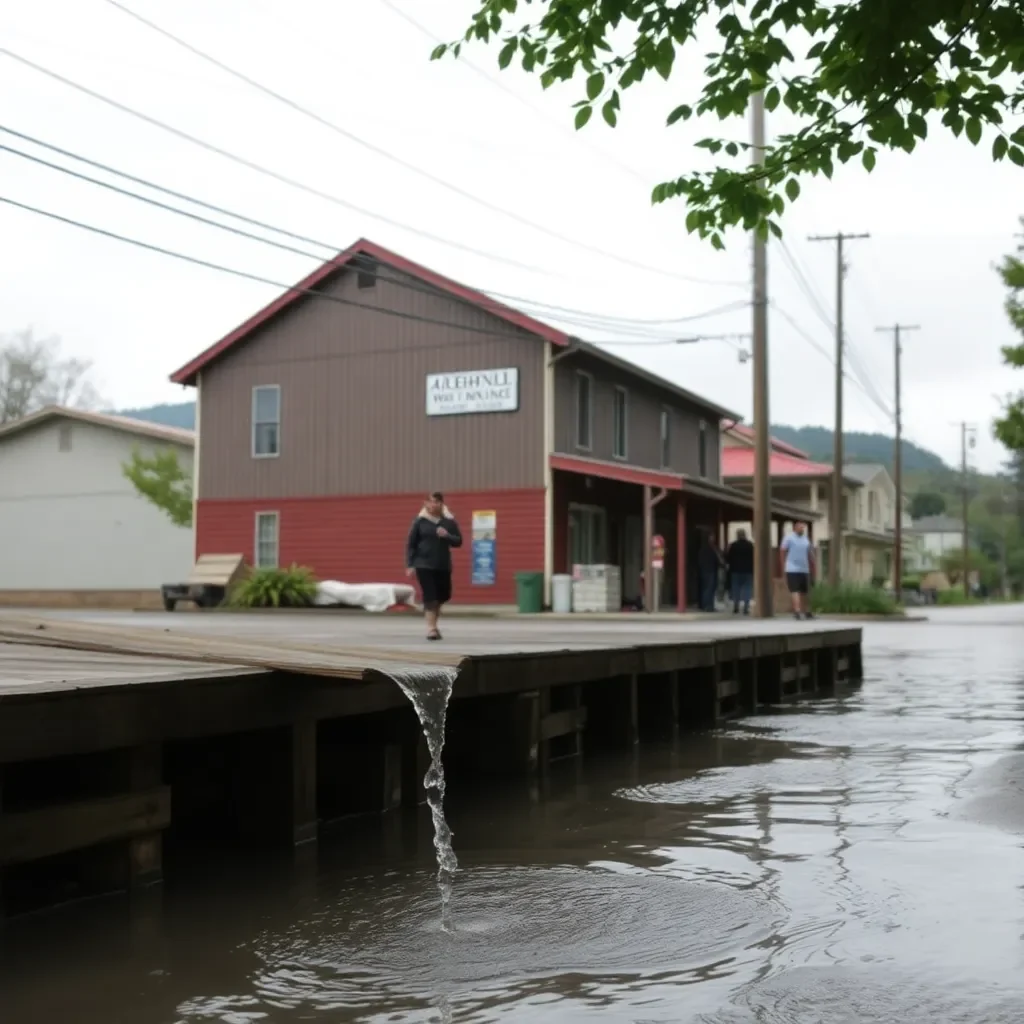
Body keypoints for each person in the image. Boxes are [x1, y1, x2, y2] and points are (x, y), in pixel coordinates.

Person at [405, 491, 462, 641]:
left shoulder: (449, 522)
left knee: (443, 595)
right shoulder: (420, 522)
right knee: (430, 596)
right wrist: (410, 564)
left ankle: (434, 622)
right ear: (425, 504)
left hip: (443, 564)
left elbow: (458, 541)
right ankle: (431, 629)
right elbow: (411, 544)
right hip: (423, 564)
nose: (433, 504)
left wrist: (447, 535)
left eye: (436, 502)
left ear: (441, 504)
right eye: (430, 502)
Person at [779, 521, 815, 620]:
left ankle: (806, 611)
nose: (802, 530)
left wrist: (812, 567)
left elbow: (809, 553)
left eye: (803, 528)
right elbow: (782, 551)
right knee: (795, 590)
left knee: (805, 591)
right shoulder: (789, 538)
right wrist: (783, 565)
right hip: (792, 568)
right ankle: (797, 611)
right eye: (800, 528)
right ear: (795, 528)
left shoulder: (805, 539)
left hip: (804, 569)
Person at [726, 529, 755, 615]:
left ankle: (736, 606)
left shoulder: (733, 545)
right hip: (748, 570)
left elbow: (728, 557)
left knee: (736, 588)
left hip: (735, 570)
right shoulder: (750, 545)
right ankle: (746, 607)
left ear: (737, 535)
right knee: (747, 588)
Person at [696, 532, 723, 612]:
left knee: (706, 588)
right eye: (712, 537)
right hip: (710, 570)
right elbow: (719, 560)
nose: (713, 539)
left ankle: (705, 605)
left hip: (705, 570)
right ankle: (708, 605)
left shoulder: (702, 549)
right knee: (709, 588)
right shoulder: (713, 549)